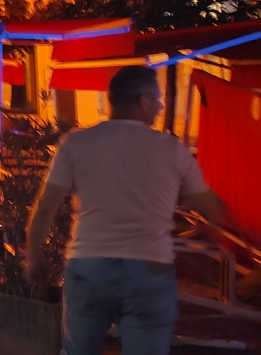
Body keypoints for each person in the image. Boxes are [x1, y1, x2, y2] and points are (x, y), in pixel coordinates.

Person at [26, 65, 223, 355]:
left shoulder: (76, 143)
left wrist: (34, 255)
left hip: (89, 266)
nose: (160, 107)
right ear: (143, 101)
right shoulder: (172, 150)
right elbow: (211, 209)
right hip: (149, 270)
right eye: (156, 100)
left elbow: (45, 206)